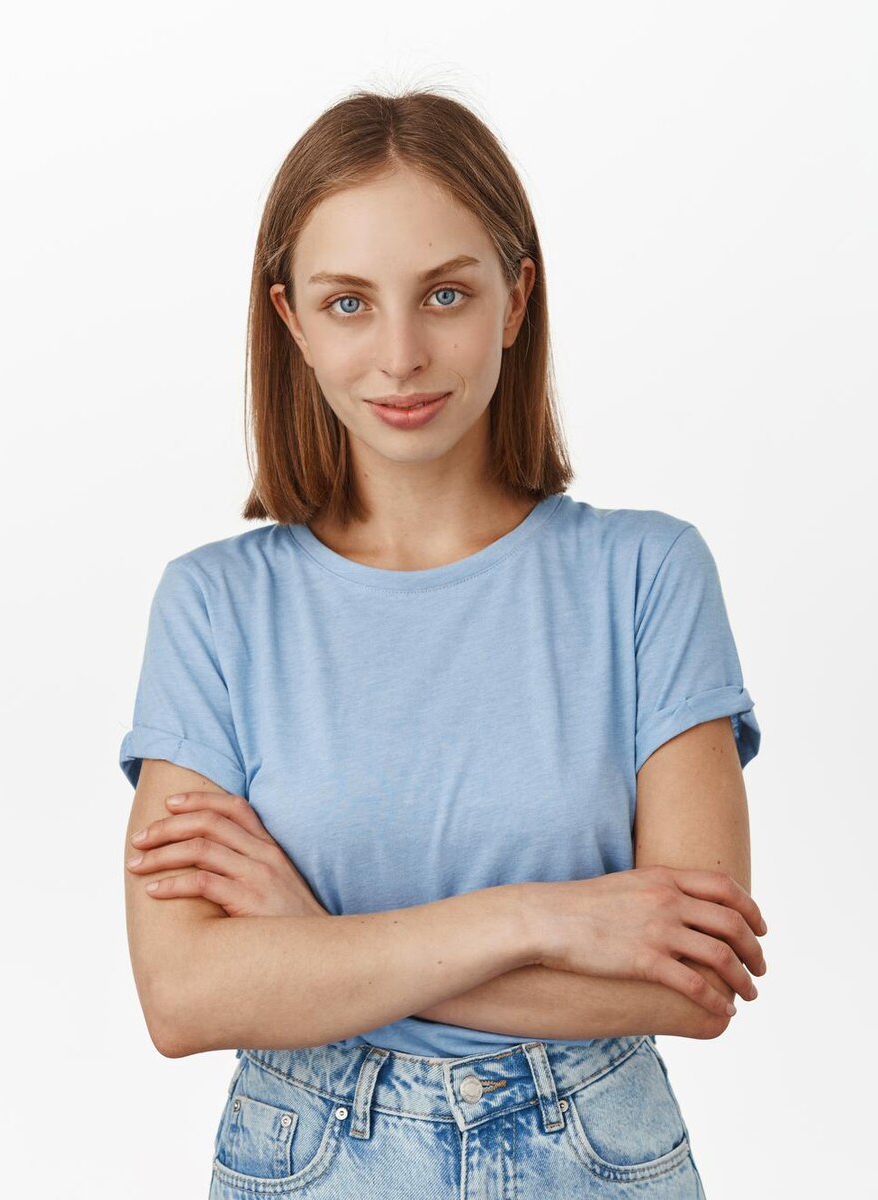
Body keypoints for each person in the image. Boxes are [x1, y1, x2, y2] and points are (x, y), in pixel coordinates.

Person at [116, 87, 766, 1198]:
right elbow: (185, 998)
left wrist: (316, 945)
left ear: (518, 300)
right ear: (293, 325)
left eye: (447, 294)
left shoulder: (647, 575)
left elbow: (692, 984)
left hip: (596, 1158)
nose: (403, 354)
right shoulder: (215, 607)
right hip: (310, 1159)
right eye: (350, 303)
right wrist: (543, 918)